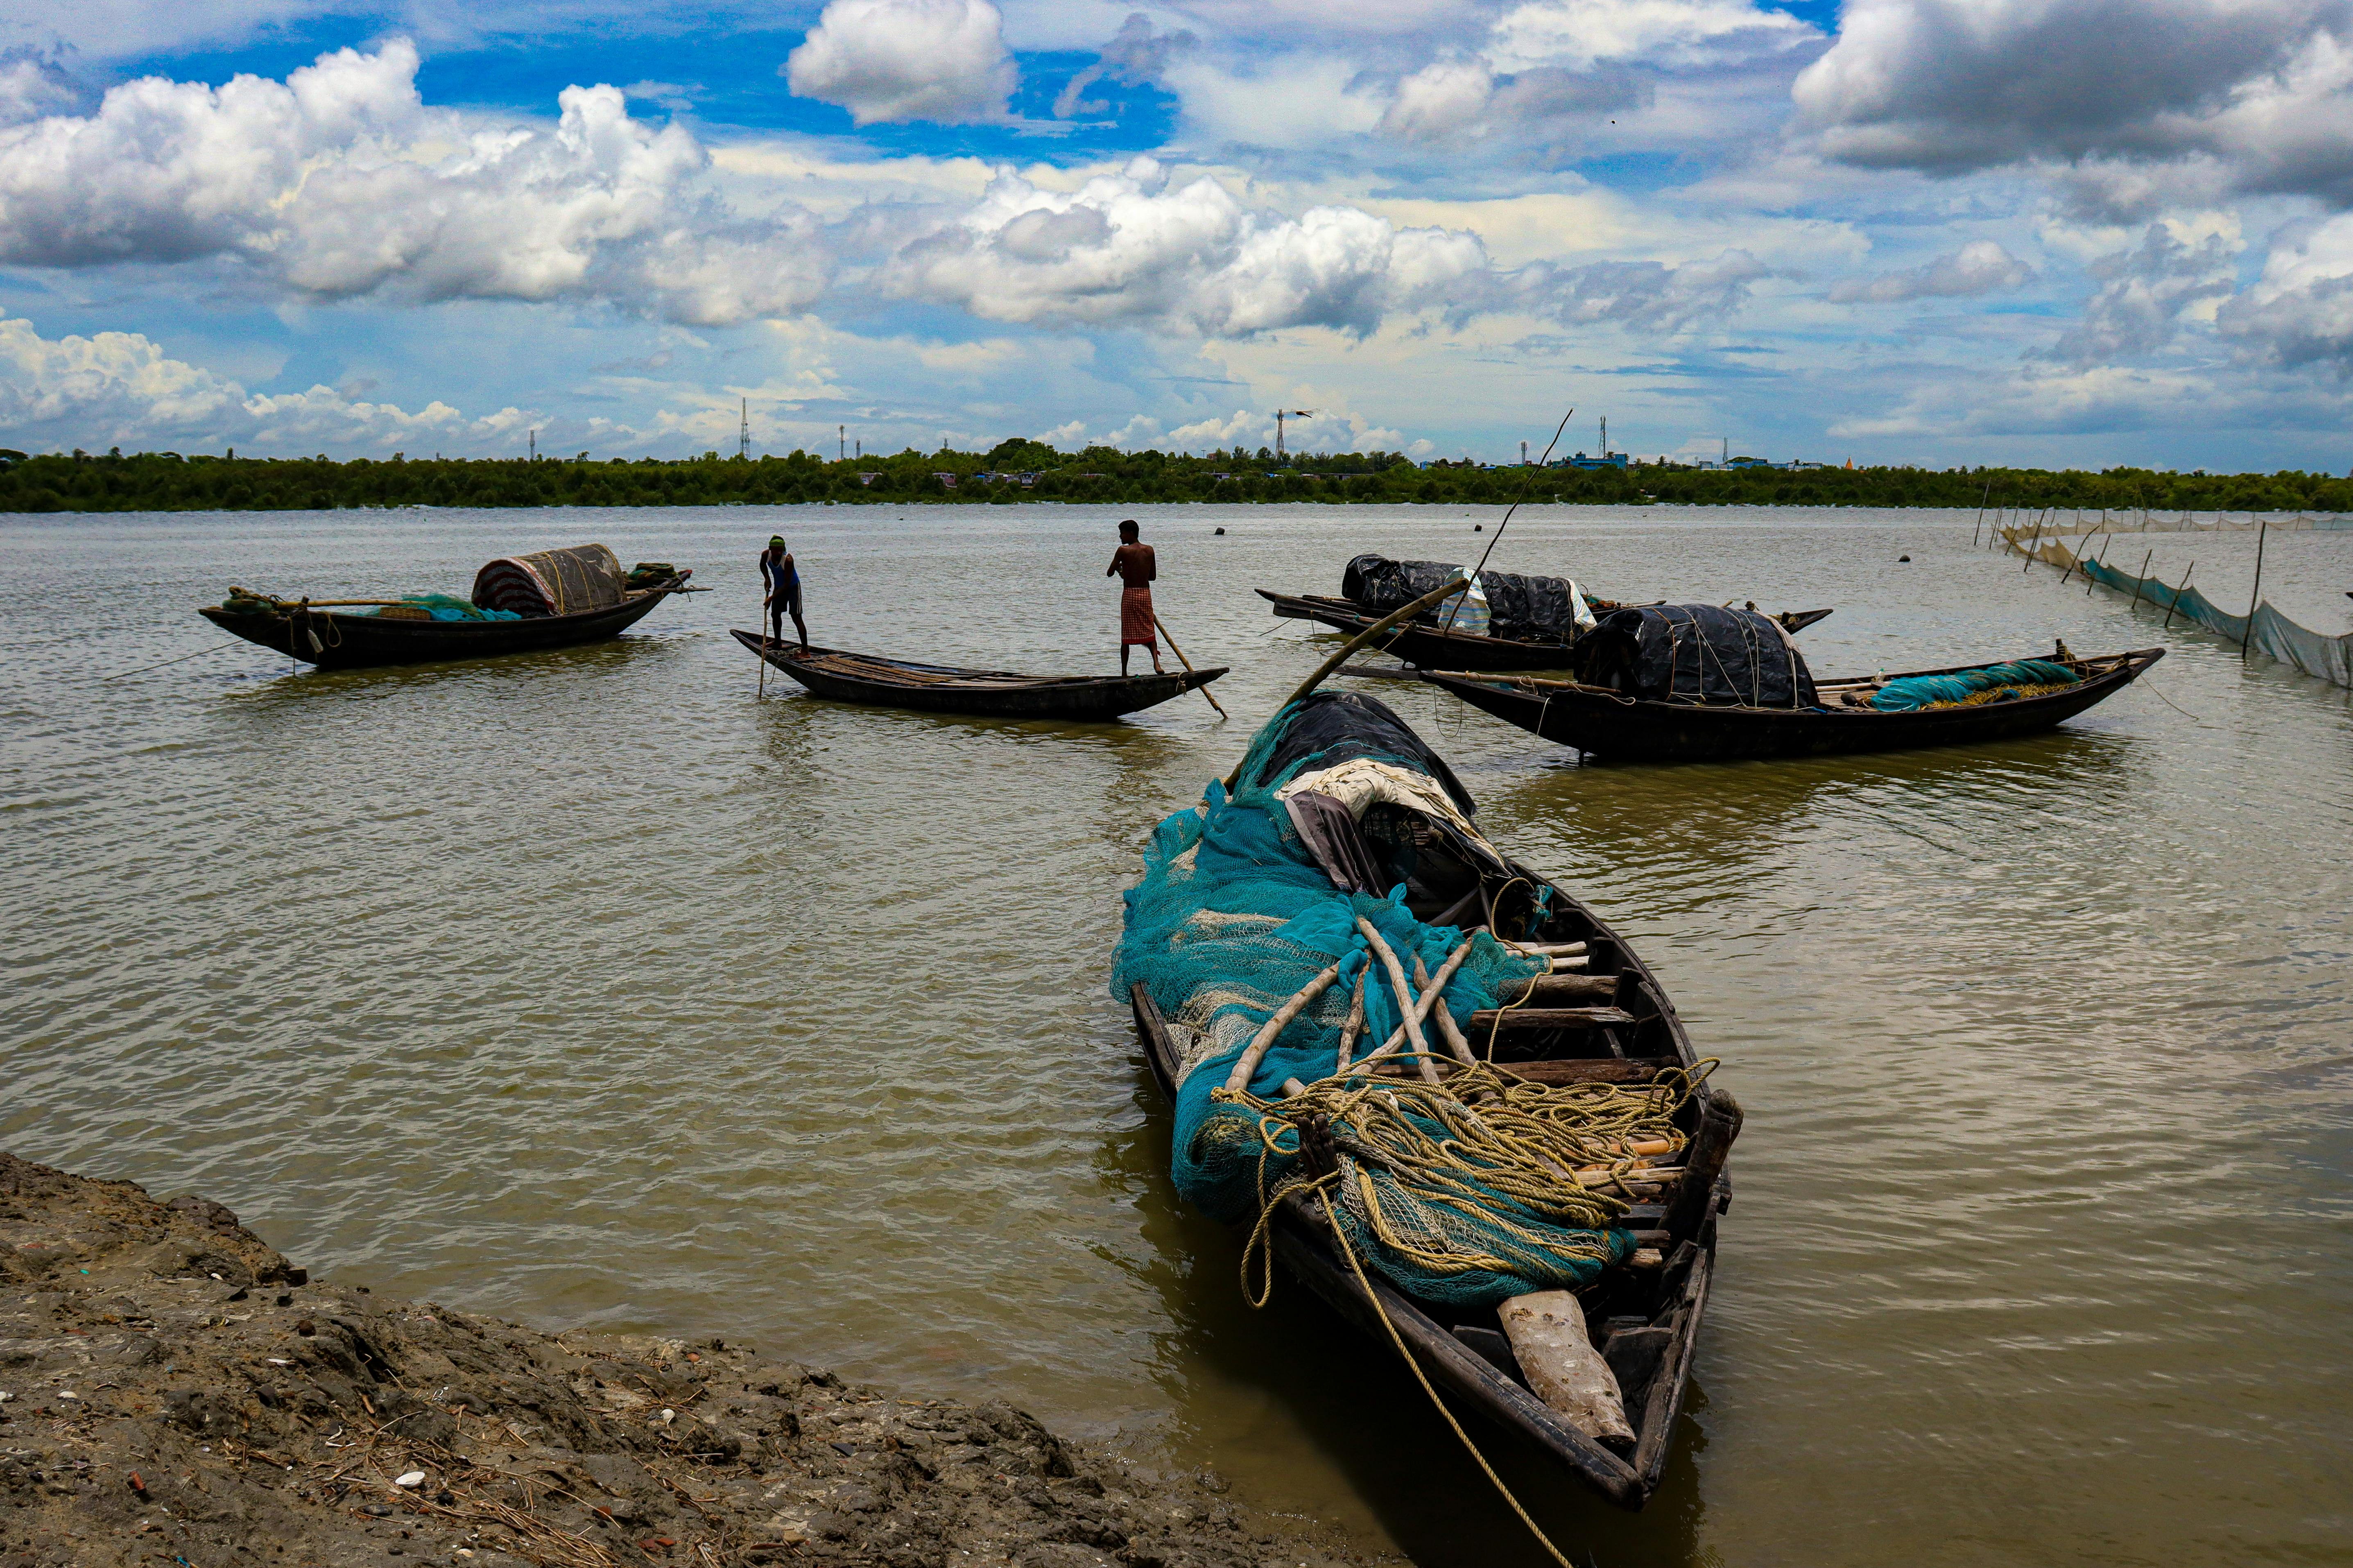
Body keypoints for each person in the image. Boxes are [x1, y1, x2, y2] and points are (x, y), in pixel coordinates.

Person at [1106, 518, 1164, 675]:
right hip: (1145, 594)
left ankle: (1124, 673)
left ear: (1131, 533)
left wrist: (1119, 570)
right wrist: (1128, 572)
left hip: (1130, 595)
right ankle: (1156, 664)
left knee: (1126, 637)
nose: (1120, 537)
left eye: (1122, 533)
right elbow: (1152, 577)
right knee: (1149, 630)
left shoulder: (1123, 551)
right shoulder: (1149, 550)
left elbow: (1109, 573)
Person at [760, 534, 808, 651]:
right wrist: (767, 578)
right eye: (776, 550)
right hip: (779, 587)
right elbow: (762, 565)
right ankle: (777, 642)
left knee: (796, 617)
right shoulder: (766, 555)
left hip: (792, 588)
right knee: (775, 614)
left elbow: (787, 585)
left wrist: (771, 598)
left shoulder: (788, 560)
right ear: (771, 549)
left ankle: (805, 651)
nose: (778, 553)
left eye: (781, 550)